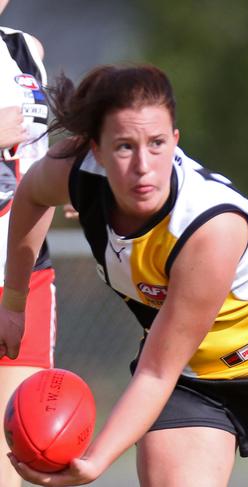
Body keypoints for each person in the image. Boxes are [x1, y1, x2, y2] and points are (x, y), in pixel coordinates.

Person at [0, 64, 248, 487]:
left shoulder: (210, 226)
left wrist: (96, 461)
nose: (142, 166)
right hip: (189, 378)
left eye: (156, 144)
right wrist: (13, 303)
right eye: (123, 147)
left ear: (175, 140)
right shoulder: (76, 172)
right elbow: (30, 196)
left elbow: (155, 371)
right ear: (95, 150)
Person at [0, 1, 57, 486]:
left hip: (24, 270)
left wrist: (77, 177)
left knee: (16, 447)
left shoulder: (24, 50)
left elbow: (43, 147)